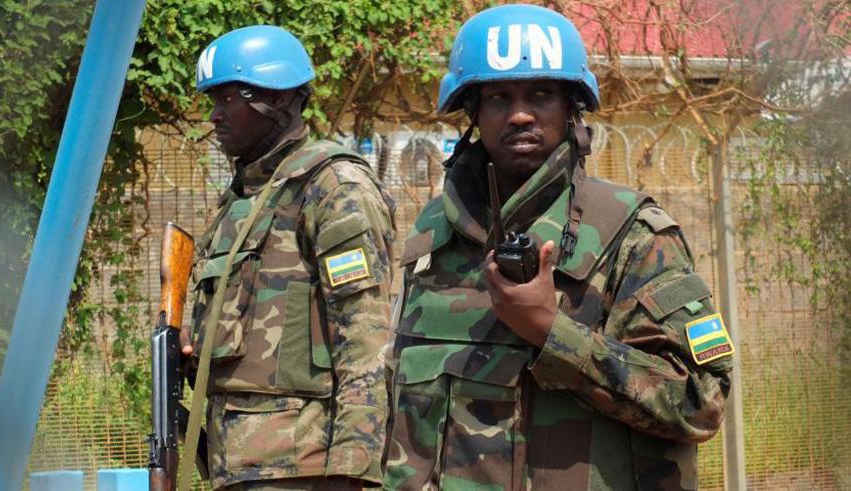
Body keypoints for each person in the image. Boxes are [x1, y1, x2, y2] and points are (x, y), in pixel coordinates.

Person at [383, 5, 733, 490]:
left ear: (572, 108)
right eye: (498, 97)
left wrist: (552, 333)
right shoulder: (434, 233)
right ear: (473, 114)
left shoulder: (634, 236)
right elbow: (398, 395)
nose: (520, 114)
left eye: (541, 95)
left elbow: (702, 402)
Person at [184, 25, 395, 490]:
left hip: (304, 465)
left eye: (227, 100)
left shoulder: (333, 187)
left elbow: (365, 338)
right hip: (238, 462)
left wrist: (351, 468)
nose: (215, 116)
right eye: (211, 102)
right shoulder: (246, 196)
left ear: (276, 99)